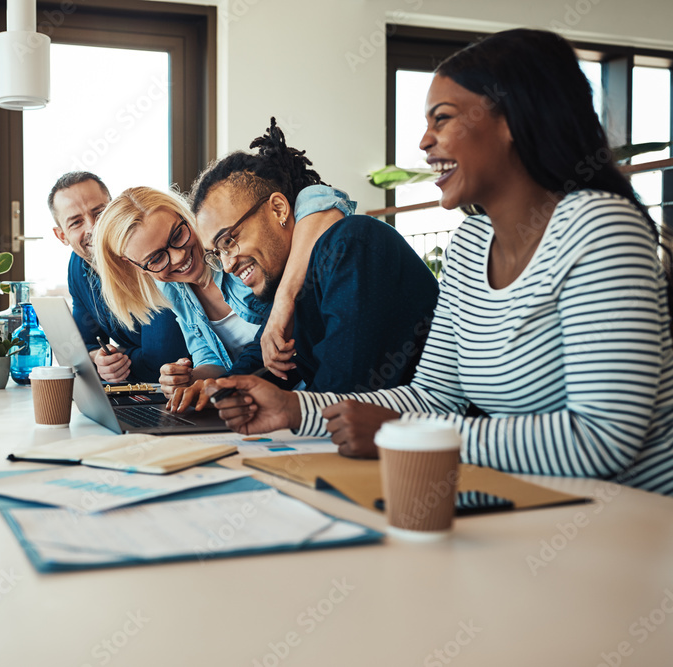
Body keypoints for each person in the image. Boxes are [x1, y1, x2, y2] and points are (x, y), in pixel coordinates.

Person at [206, 30, 673, 495]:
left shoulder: (599, 226)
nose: (425, 142)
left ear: (511, 119)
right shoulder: (471, 243)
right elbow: (433, 396)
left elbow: (605, 439)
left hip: (635, 522)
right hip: (540, 503)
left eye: (442, 119)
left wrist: (399, 432)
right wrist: (293, 409)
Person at [189, 119, 440, 398]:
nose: (227, 264)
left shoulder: (350, 246)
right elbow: (265, 357)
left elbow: (341, 396)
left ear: (278, 209)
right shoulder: (294, 284)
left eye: (229, 241)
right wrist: (215, 393)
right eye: (217, 253)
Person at [90, 186, 269, 407]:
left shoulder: (234, 253)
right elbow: (211, 357)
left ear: (184, 215)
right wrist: (186, 379)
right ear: (137, 267)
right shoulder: (172, 290)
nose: (178, 256)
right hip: (254, 404)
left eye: (177, 235)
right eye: (156, 258)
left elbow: (282, 332)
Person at [47, 172, 188, 383]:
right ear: (62, 236)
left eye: (99, 213)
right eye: (76, 222)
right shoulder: (78, 266)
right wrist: (100, 360)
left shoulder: (148, 256)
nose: (92, 227)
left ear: (113, 209)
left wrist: (120, 354)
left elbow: (160, 362)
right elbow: (84, 344)